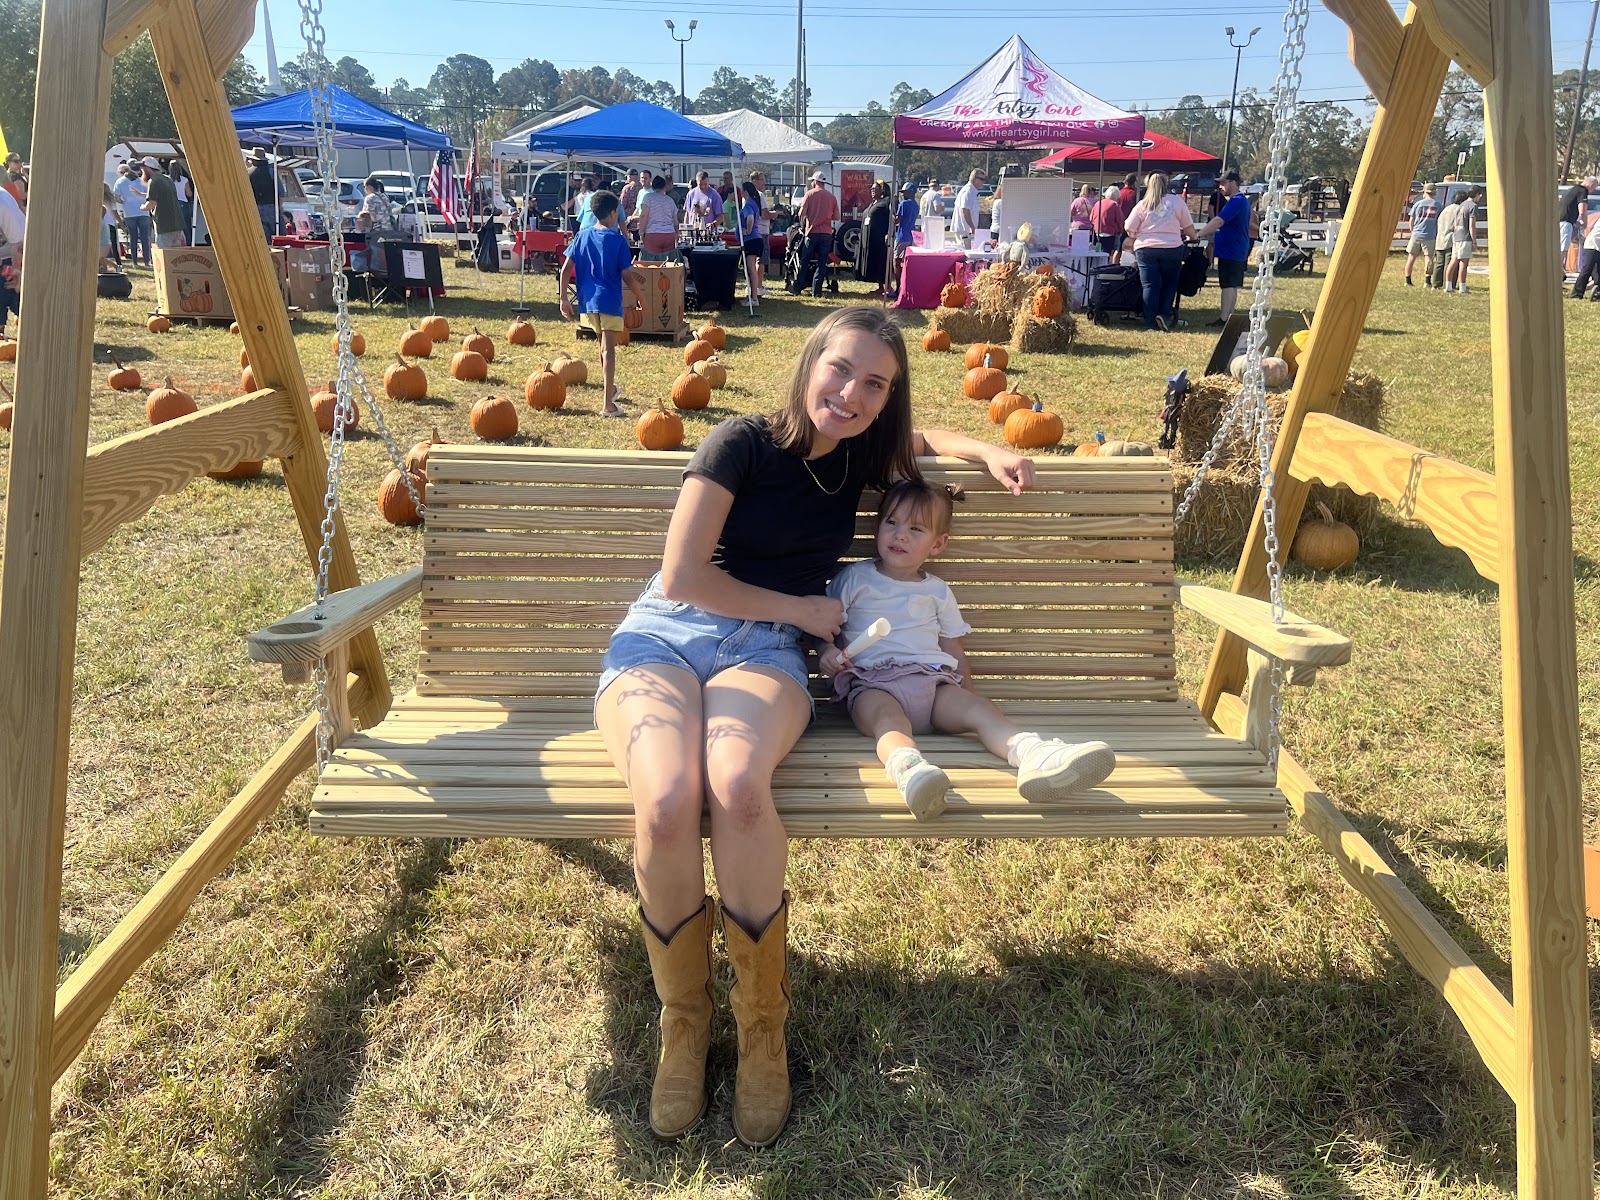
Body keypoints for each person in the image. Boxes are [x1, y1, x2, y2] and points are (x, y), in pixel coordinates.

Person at [592, 305, 1037, 1148]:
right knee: (667, 799)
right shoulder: (741, 443)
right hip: (665, 632)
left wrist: (986, 449)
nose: (852, 393)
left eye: (876, 384)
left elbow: (922, 438)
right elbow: (683, 575)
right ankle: (684, 1025)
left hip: (765, 656)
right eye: (841, 369)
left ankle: (763, 1029)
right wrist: (802, 606)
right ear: (808, 363)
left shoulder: (865, 451)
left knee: (736, 788)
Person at [820, 480, 1116, 820]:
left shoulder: (938, 591)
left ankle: (1033, 753)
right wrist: (826, 650)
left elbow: (951, 646)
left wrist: (970, 693)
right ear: (878, 526)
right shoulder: (854, 578)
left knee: (980, 712)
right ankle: (911, 771)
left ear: (938, 544)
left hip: (932, 684)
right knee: (888, 721)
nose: (900, 535)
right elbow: (825, 624)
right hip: (872, 683)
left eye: (916, 529)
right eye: (891, 522)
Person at [559, 190, 644, 417]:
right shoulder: (617, 240)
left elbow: (566, 269)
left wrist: (563, 298)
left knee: (602, 347)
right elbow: (627, 275)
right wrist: (641, 298)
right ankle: (607, 404)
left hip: (588, 302)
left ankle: (611, 389)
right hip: (609, 301)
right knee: (609, 350)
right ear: (613, 213)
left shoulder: (582, 235)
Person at [1122, 171, 1196, 332]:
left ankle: (1149, 321)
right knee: (1170, 284)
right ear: (1166, 184)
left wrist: (1136, 235)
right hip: (1172, 248)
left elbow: (1128, 227)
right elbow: (1189, 227)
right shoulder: (1177, 202)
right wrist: (1193, 236)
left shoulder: (1143, 205)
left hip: (1146, 249)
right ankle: (1164, 314)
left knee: (1150, 285)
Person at [1196, 170, 1250, 325]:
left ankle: (1224, 318)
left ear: (1233, 182)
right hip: (1237, 247)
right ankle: (1230, 316)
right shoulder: (1241, 200)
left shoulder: (1236, 201)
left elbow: (1218, 221)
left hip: (1231, 248)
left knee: (1227, 284)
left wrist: (1199, 234)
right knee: (1232, 284)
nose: (1221, 187)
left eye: (1223, 183)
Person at [791, 170, 839, 298]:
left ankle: (798, 287)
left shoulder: (809, 194)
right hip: (826, 234)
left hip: (811, 232)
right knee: (822, 262)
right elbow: (837, 216)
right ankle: (816, 290)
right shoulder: (832, 197)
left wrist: (810, 216)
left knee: (805, 261)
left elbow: (801, 213)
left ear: (815, 182)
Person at [140, 156, 185, 250]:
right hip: (177, 224)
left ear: (147, 169)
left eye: (143, 168)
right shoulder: (167, 179)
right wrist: (141, 194)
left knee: (165, 256)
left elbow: (151, 204)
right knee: (176, 258)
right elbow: (163, 196)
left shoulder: (154, 181)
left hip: (164, 226)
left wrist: (142, 207)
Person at [113, 161, 150, 267]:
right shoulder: (141, 181)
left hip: (129, 213)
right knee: (144, 238)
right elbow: (147, 195)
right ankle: (147, 262)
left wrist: (124, 202)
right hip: (143, 212)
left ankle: (135, 262)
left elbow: (117, 198)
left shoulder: (119, 182)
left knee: (133, 238)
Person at [636, 175, 680, 260]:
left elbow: (644, 215)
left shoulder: (648, 197)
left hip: (653, 234)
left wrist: (641, 232)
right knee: (668, 263)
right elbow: (675, 221)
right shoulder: (670, 200)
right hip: (669, 234)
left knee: (652, 264)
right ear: (664, 186)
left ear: (652, 186)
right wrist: (677, 233)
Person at [1446, 186, 1480, 295]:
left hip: (1457, 236)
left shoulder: (1461, 205)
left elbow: (1456, 222)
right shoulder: (1473, 206)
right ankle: (1462, 287)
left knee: (1453, 261)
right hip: (1465, 237)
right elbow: (1472, 224)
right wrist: (1474, 240)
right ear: (1477, 194)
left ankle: (1448, 285)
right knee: (1463, 263)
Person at [1404, 183, 1440, 287]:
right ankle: (1427, 281)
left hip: (1416, 234)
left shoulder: (1418, 204)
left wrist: (1412, 231)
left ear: (1425, 192)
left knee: (1411, 258)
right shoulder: (1438, 205)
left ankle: (1408, 280)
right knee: (1428, 258)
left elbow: (1411, 219)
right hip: (1429, 235)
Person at [0, 182, 23, 340]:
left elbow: (20, 244)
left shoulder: (3, 203)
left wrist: (19, 272)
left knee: (18, 295)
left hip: (14, 253)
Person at [738, 180, 765, 310]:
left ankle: (754, 298)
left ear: (745, 192)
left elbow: (750, 218)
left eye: (741, 190)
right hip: (754, 239)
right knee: (750, 269)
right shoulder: (753, 203)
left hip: (751, 239)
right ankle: (752, 296)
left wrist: (747, 231)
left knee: (751, 269)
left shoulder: (748, 204)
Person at [749, 171, 775, 294]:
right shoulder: (760, 195)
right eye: (761, 180)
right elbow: (765, 214)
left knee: (752, 261)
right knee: (761, 260)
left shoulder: (747, 196)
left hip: (752, 231)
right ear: (754, 181)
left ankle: (752, 286)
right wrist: (774, 214)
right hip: (762, 231)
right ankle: (759, 286)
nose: (764, 182)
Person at [1560, 177, 1594, 270]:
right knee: (1563, 249)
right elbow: (1582, 210)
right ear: (1592, 185)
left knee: (1559, 247)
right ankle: (1557, 271)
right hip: (1566, 223)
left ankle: (1559, 271)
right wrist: (1585, 222)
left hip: (1559, 221)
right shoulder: (1583, 191)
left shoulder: (1572, 189)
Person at [892, 180, 918, 294]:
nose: (903, 194)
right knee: (906, 262)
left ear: (911, 192)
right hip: (911, 235)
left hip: (902, 235)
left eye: (905, 192)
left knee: (896, 261)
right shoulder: (916, 205)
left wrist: (893, 208)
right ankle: (905, 285)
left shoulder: (904, 204)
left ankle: (898, 287)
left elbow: (897, 220)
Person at [247, 146, 276, 241]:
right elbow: (280, 192)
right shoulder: (271, 172)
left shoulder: (247, 173)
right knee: (276, 236)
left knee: (259, 237)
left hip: (254, 207)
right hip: (271, 206)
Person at [952, 168, 985, 249]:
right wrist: (972, 227)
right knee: (966, 253)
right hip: (964, 230)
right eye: (982, 179)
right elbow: (965, 210)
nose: (984, 182)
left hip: (966, 230)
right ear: (975, 178)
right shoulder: (968, 191)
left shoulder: (971, 191)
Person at [1091, 183, 1125, 261]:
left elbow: (1091, 218)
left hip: (1097, 232)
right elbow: (1120, 220)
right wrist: (1120, 230)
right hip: (1110, 233)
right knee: (1108, 254)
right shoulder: (1115, 205)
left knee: (1097, 254)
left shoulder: (1098, 203)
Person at [1431, 194, 1458, 290]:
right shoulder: (1458, 209)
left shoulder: (1445, 209)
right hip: (1450, 240)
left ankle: (1436, 284)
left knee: (1439, 263)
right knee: (1450, 263)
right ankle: (1449, 283)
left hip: (1440, 239)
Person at [1570, 216, 1600, 300]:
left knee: (1598, 273)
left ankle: (1597, 293)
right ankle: (1576, 294)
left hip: (1596, 245)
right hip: (1593, 244)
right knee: (1587, 269)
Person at [99, 183, 123, 272]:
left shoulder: (98, 198)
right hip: (110, 223)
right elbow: (114, 212)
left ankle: (114, 266)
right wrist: (120, 222)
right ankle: (118, 263)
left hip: (104, 222)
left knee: (100, 256)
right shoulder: (110, 199)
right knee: (114, 246)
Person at [170, 160, 194, 246]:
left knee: (173, 227)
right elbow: (189, 193)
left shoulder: (168, 180)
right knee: (186, 226)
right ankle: (188, 245)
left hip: (171, 204)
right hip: (182, 203)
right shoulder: (184, 180)